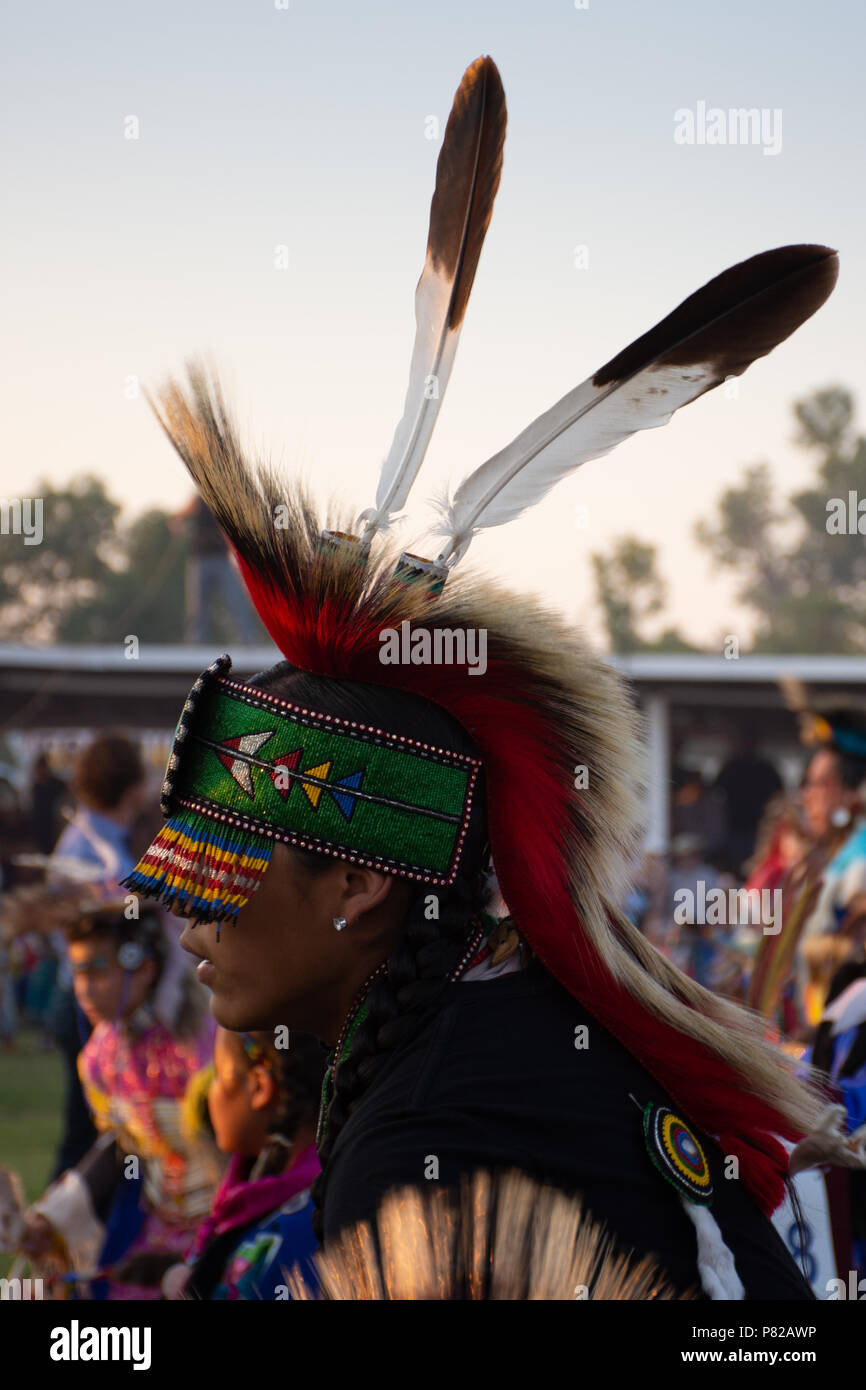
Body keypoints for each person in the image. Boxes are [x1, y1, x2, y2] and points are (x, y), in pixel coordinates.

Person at [119, 57, 850, 1300]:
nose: (182, 917)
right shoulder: (487, 1057)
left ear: (352, 875)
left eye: (220, 864)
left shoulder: (434, 1147)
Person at [23, 903, 218, 1298]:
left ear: (143, 968)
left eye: (96, 970)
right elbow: (120, 1146)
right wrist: (56, 1215)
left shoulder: (205, 1042)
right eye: (76, 972)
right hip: (154, 1233)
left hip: (222, 1226)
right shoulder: (100, 1057)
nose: (83, 988)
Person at [163, 1028, 323, 1300]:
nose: (208, 1095)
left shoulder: (287, 1233)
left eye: (218, 1075)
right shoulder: (259, 1189)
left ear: (259, 1087)